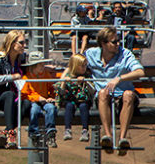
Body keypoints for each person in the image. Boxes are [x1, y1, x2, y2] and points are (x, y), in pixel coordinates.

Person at [86, 26, 144, 154]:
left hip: (122, 95)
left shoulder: (125, 54)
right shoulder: (91, 54)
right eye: (114, 42)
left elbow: (140, 71)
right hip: (104, 96)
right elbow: (76, 64)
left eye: (118, 41)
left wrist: (120, 78)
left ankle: (122, 138)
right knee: (102, 93)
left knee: (128, 95)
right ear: (103, 44)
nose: (118, 44)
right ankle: (108, 136)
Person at [0, 30, 30, 149]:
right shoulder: (0, 57)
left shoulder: (21, 58)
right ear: (12, 43)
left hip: (12, 99)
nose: (24, 46)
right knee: (9, 95)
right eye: (21, 43)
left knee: (26, 104)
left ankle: (5, 132)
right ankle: (11, 134)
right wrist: (12, 77)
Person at [21, 51, 58, 147]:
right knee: (34, 110)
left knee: (51, 108)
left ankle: (50, 132)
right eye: (40, 64)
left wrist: (51, 97)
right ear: (33, 66)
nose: (43, 66)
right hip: (34, 101)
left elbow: (51, 88)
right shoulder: (26, 78)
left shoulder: (46, 75)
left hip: (45, 99)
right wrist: (37, 98)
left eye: (43, 64)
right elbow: (24, 95)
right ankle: (34, 132)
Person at [55, 53, 94, 142]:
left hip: (83, 99)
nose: (84, 68)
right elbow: (60, 92)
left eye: (85, 65)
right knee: (69, 106)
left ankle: (85, 130)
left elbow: (92, 91)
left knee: (83, 106)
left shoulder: (87, 74)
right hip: (70, 99)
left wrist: (86, 82)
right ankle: (67, 130)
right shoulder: (68, 72)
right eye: (82, 66)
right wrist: (64, 82)